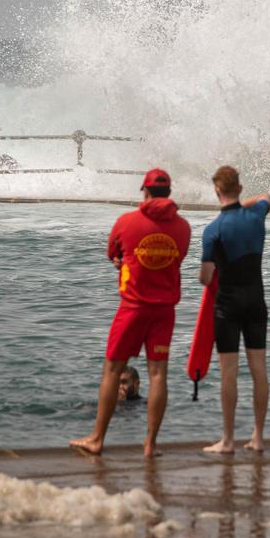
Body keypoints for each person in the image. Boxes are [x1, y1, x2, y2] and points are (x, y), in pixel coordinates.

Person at [70, 168, 191, 457]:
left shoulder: (127, 221)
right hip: (164, 310)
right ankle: (150, 445)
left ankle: (97, 439)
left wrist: (126, 263)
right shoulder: (183, 227)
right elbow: (177, 258)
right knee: (158, 374)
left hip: (133, 308)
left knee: (112, 370)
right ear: (169, 193)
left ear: (145, 192)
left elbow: (113, 252)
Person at [199, 165, 270, 454]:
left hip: (227, 307)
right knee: (259, 370)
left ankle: (227, 440)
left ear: (216, 191)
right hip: (257, 302)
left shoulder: (212, 230)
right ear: (239, 189)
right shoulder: (256, 216)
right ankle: (258, 437)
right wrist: (244, 202)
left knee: (229, 372)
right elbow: (267, 195)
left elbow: (205, 278)